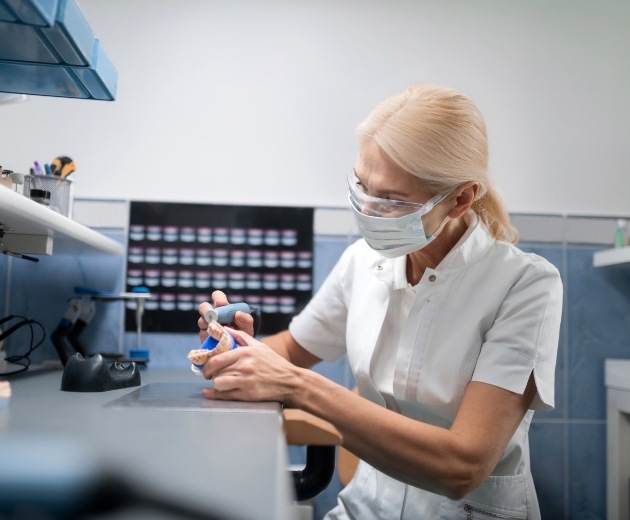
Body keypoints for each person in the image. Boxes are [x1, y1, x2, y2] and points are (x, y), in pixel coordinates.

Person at [196, 84, 563, 520]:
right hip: (364, 509)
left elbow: (463, 466)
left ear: (461, 198)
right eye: (362, 187)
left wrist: (296, 385)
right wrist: (231, 345)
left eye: (390, 200)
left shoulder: (524, 284)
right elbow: (293, 350)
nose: (367, 212)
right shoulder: (362, 261)